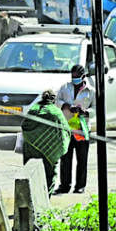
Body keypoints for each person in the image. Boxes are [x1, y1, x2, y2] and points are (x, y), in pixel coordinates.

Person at [20, 89, 69, 193]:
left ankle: (32, 196)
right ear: (54, 100)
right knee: (49, 175)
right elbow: (65, 130)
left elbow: (24, 126)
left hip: (31, 149)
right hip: (50, 150)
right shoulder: (55, 112)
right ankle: (46, 200)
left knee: (32, 174)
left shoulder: (33, 109)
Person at [56, 64, 94, 194]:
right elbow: (57, 100)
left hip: (82, 129)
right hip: (67, 128)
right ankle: (64, 185)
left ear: (83, 77)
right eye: (73, 77)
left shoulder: (91, 91)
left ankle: (80, 186)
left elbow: (96, 109)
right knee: (65, 158)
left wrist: (86, 111)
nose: (75, 79)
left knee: (82, 159)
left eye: (77, 77)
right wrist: (66, 105)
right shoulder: (65, 87)